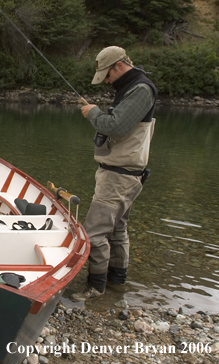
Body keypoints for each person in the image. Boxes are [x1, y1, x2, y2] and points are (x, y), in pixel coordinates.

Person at [71, 46, 157, 302]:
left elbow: (116, 126)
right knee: (118, 230)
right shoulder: (132, 89)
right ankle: (117, 285)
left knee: (94, 232)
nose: (106, 81)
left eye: (107, 76)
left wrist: (93, 113)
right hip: (125, 174)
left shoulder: (140, 89)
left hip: (119, 177)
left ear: (119, 66)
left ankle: (95, 287)